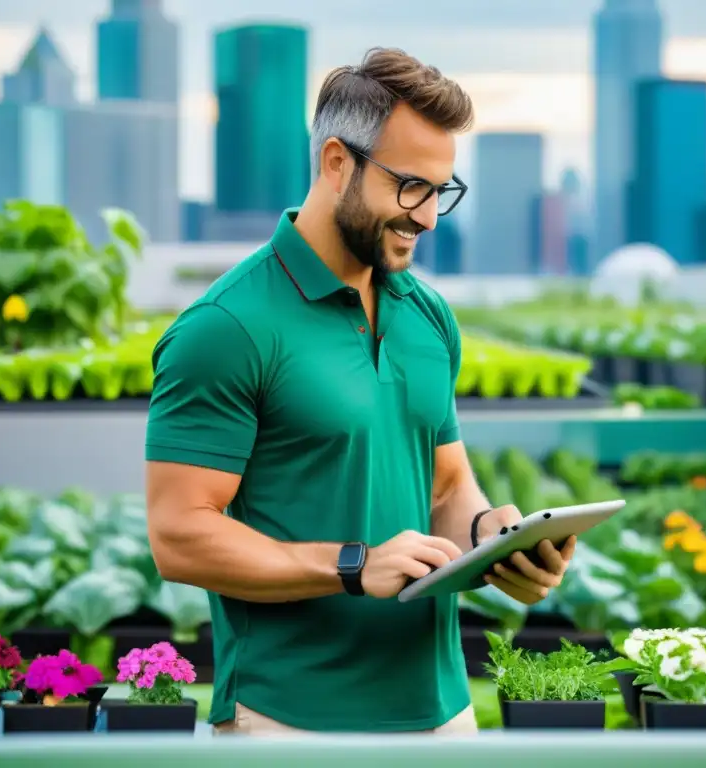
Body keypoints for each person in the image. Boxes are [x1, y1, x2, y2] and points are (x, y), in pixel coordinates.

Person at [143, 47, 576, 736]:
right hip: (288, 721)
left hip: (444, 713)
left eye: (441, 191)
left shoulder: (428, 316)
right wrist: (352, 565)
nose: (429, 217)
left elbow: (444, 485)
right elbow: (179, 535)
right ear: (338, 162)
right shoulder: (225, 328)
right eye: (411, 187)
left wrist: (493, 537)